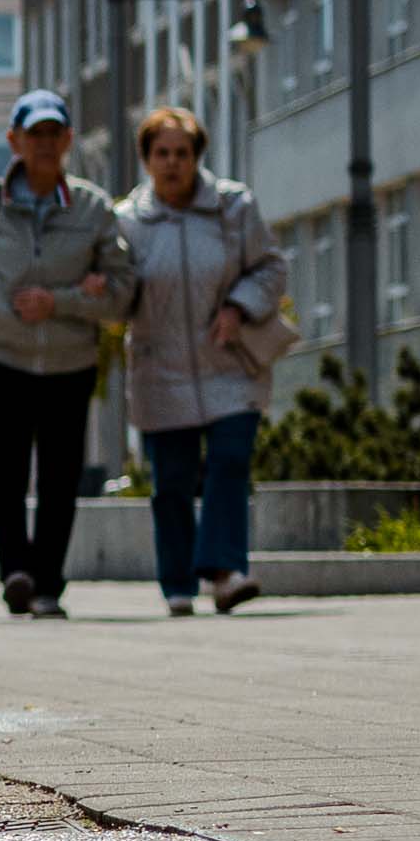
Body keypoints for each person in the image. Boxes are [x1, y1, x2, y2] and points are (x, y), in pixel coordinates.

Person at [0, 90, 136, 619]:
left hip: (70, 364)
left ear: (69, 140)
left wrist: (62, 302)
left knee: (59, 477)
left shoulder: (94, 209)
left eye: (55, 134)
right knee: (4, 475)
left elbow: (122, 291)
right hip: (3, 358)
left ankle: (49, 583)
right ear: (15, 141)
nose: (46, 144)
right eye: (36, 134)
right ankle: (16, 572)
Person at [118, 103, 287, 617]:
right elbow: (118, 292)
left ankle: (224, 570)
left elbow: (271, 269)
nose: (173, 163)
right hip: (159, 367)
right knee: (170, 482)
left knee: (231, 461)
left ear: (198, 158)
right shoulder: (126, 222)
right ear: (146, 159)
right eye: (162, 153)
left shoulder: (234, 207)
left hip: (228, 360)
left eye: (183, 153)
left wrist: (239, 306)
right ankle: (177, 584)